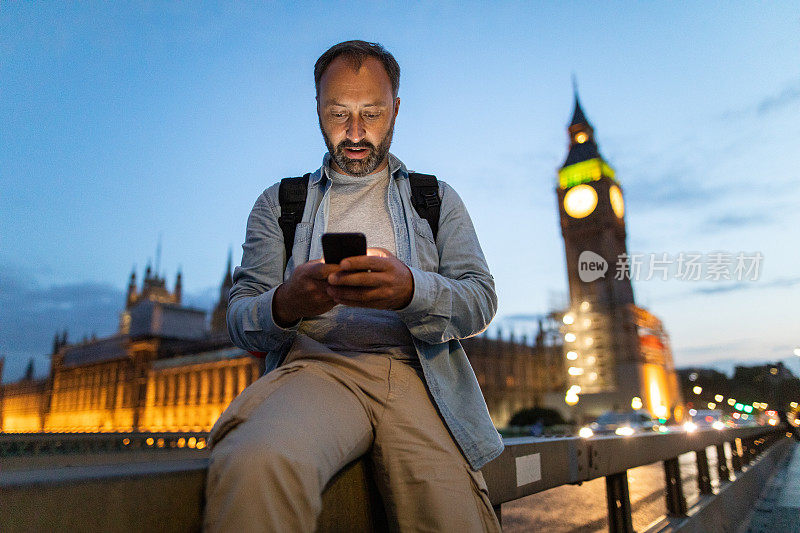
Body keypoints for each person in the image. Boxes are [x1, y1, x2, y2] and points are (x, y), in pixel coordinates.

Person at [204, 40, 503, 532]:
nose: (356, 132)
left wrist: (411, 291)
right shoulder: (279, 205)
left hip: (419, 378)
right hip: (318, 370)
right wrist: (286, 302)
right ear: (318, 110)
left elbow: (480, 299)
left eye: (373, 113)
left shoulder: (436, 199)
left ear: (397, 109)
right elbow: (241, 321)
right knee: (257, 465)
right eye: (339, 113)